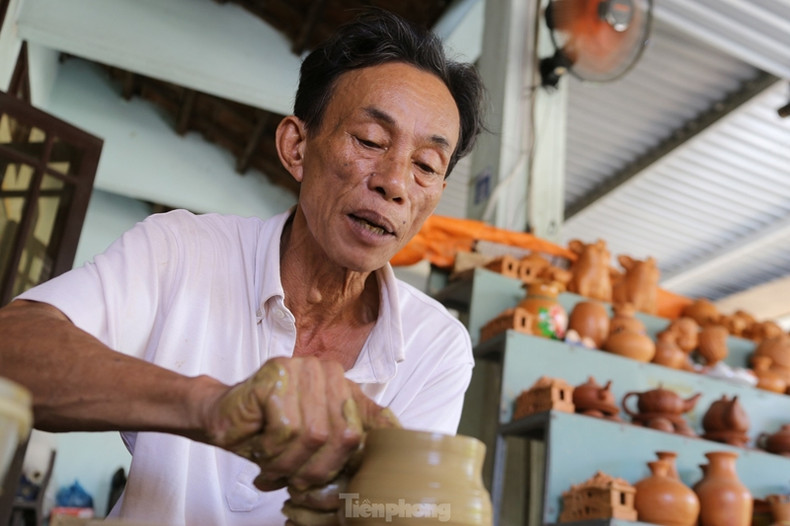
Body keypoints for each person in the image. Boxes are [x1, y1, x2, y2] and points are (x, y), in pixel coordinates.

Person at [0, 8, 486, 526]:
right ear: (296, 147)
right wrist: (213, 406)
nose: (395, 183)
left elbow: (407, 505)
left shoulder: (437, 347)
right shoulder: (183, 249)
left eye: (425, 166)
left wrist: (351, 505)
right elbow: (13, 347)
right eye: (369, 140)